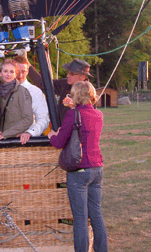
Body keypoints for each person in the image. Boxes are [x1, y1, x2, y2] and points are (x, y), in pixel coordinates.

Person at [48, 81, 107, 252]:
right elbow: (84, 117)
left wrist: (52, 135)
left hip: (79, 169)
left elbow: (59, 142)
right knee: (96, 214)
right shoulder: (98, 115)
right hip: (97, 168)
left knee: (80, 219)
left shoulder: (72, 115)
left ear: (75, 95)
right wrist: (74, 105)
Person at [27, 57, 92, 124]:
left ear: (82, 76)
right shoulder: (65, 84)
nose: (67, 75)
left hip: (74, 132)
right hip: (60, 129)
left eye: (72, 74)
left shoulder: (89, 93)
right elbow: (43, 84)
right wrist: (27, 65)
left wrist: (74, 105)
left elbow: (86, 119)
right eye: (68, 72)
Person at [0, 59, 33, 144]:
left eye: (11, 72)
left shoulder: (22, 91)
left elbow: (28, 119)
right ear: (0, 73)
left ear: (15, 74)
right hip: (3, 139)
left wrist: (5, 134)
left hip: (16, 140)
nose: (8, 74)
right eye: (5, 71)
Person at [13, 55, 49, 144]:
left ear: (28, 71)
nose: (20, 75)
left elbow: (43, 119)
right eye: (17, 71)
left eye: (23, 72)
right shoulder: (1, 90)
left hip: (26, 142)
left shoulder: (35, 92)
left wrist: (30, 132)